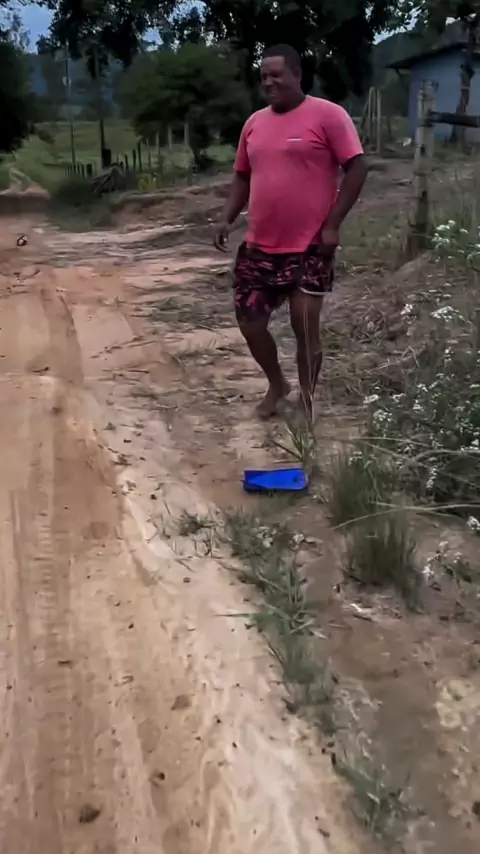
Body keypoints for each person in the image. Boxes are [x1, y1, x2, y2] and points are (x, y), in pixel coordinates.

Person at [214, 43, 367, 421]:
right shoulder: (254, 123)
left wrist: (333, 225)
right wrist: (226, 217)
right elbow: (242, 175)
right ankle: (277, 384)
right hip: (259, 247)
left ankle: (307, 401)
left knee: (304, 326)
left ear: (297, 74)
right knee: (250, 324)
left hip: (310, 246)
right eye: (263, 76)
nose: (269, 82)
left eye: (276, 74)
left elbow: (357, 167)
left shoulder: (328, 115)